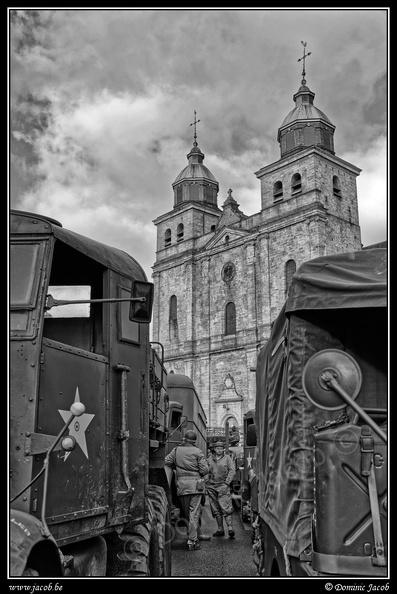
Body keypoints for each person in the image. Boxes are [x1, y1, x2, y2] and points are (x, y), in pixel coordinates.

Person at [165, 430, 210, 551]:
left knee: (188, 514)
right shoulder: (197, 451)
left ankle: (196, 535)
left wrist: (178, 467)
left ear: (184, 439)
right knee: (194, 514)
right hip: (196, 486)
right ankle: (192, 541)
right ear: (194, 441)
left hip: (182, 486)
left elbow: (167, 462)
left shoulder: (176, 450)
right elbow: (204, 470)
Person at [206, 441, 236, 538]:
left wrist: (227, 482)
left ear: (223, 449)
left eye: (221, 448)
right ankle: (220, 529)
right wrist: (206, 482)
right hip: (211, 486)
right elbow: (205, 470)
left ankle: (230, 529)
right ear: (214, 449)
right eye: (217, 448)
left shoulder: (227, 458)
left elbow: (232, 470)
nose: (219, 450)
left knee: (226, 507)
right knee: (216, 509)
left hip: (223, 485)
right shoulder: (209, 459)